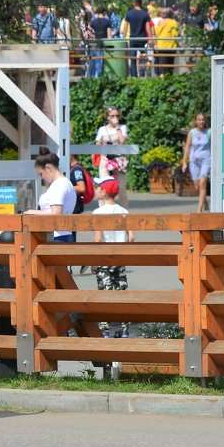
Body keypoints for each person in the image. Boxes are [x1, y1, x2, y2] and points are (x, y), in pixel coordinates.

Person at [91, 178, 134, 338]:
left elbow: (98, 239)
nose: (95, 190)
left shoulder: (98, 213)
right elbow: (131, 237)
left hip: (104, 259)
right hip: (120, 258)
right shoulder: (124, 211)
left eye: (97, 187)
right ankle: (124, 330)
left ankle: (105, 331)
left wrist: (93, 261)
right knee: (121, 294)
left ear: (104, 192)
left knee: (104, 296)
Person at [25, 150, 76, 241]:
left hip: (57, 236)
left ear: (48, 168)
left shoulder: (59, 185)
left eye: (41, 174)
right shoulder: (63, 183)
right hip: (61, 234)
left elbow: (56, 214)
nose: (42, 177)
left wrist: (32, 212)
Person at [94, 107, 129, 209]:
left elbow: (122, 141)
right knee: (103, 185)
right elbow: (97, 143)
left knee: (121, 187)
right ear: (108, 117)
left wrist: (117, 127)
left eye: (117, 115)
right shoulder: (102, 129)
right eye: (112, 116)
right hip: (105, 160)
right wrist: (99, 144)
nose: (115, 118)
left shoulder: (122, 128)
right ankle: (103, 210)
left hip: (119, 160)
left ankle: (123, 210)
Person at [181, 112, 212, 213]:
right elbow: (187, 147)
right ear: (195, 121)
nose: (201, 122)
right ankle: (204, 201)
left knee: (203, 183)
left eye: (203, 119)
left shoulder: (209, 132)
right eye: (199, 119)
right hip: (194, 161)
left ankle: (199, 210)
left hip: (206, 160)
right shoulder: (192, 133)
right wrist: (184, 162)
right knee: (197, 186)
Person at [124, 0, 154, 77]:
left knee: (133, 59)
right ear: (141, 4)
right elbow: (148, 27)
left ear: (134, 3)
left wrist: (123, 37)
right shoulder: (145, 14)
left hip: (133, 39)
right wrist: (150, 38)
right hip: (142, 39)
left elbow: (125, 27)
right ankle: (142, 74)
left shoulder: (129, 14)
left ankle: (134, 76)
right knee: (143, 57)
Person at [87, 6, 113, 78]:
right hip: (103, 43)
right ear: (104, 12)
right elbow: (109, 35)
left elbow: (90, 32)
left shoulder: (93, 21)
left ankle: (92, 77)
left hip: (94, 43)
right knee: (100, 62)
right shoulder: (107, 21)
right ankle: (99, 77)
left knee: (93, 61)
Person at [153, 7, 180, 75]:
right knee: (170, 66)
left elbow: (155, 34)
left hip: (161, 46)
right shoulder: (173, 22)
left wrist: (155, 44)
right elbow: (175, 34)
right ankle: (169, 82)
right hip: (170, 46)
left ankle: (162, 81)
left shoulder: (159, 23)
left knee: (162, 66)